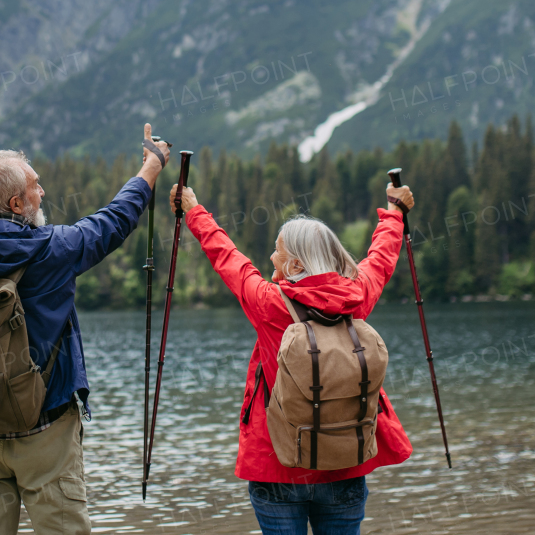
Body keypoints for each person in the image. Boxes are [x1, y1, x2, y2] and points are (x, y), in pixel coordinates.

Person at [0, 123, 170, 534]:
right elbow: (114, 221)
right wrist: (151, 169)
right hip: (45, 428)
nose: (43, 193)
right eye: (36, 187)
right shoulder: (57, 248)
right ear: (18, 204)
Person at [169, 181, 416, 535]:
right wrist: (395, 213)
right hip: (344, 466)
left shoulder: (269, 303)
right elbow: (381, 258)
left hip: (278, 466)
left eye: (277, 251)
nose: (271, 258)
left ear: (296, 263)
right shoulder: (357, 296)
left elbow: (227, 257)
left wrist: (193, 209)